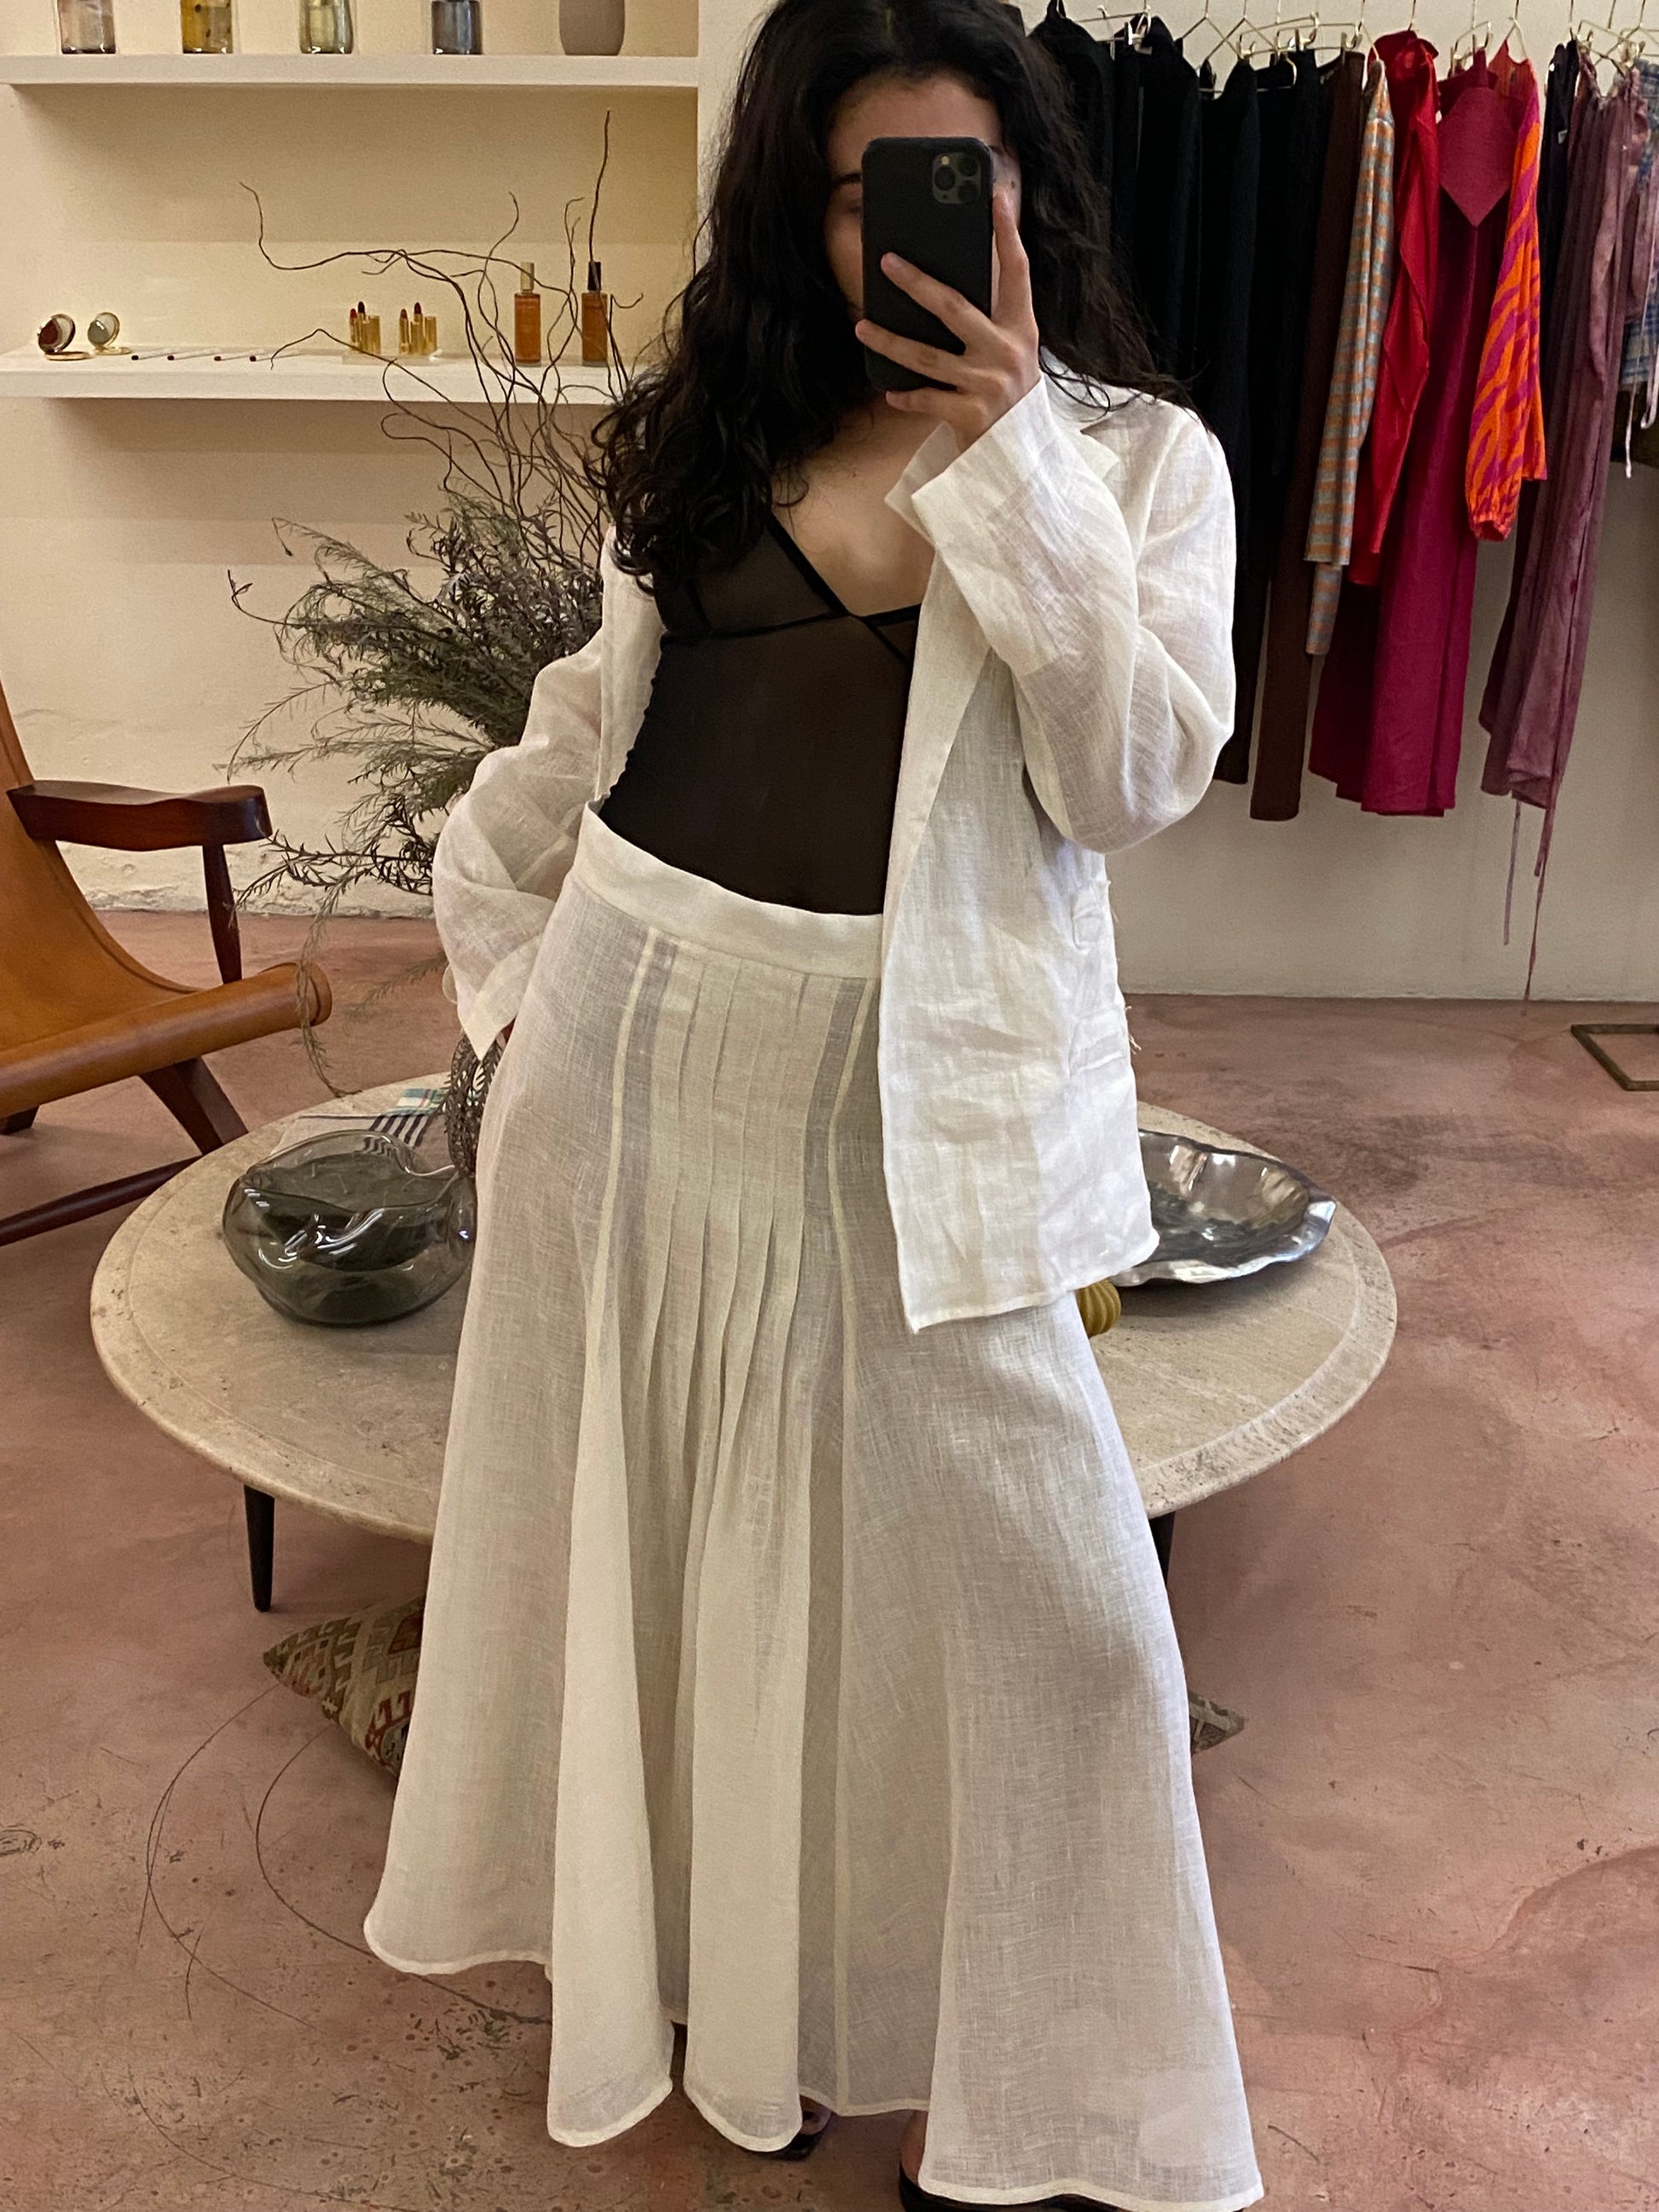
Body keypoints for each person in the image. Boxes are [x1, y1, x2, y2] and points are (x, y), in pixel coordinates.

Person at [362, 3, 1263, 2209]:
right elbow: (583, 746)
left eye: (973, 178)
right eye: (877, 193)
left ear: (1030, 190)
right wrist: (511, 991)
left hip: (926, 1107)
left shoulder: (1138, 463)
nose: (932, 229)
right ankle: (741, 2021)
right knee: (692, 1575)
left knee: (1061, 1624)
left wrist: (1010, 452)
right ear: (803, 211)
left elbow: (1135, 774)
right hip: (644, 1054)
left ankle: (1035, 2109)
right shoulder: (712, 445)